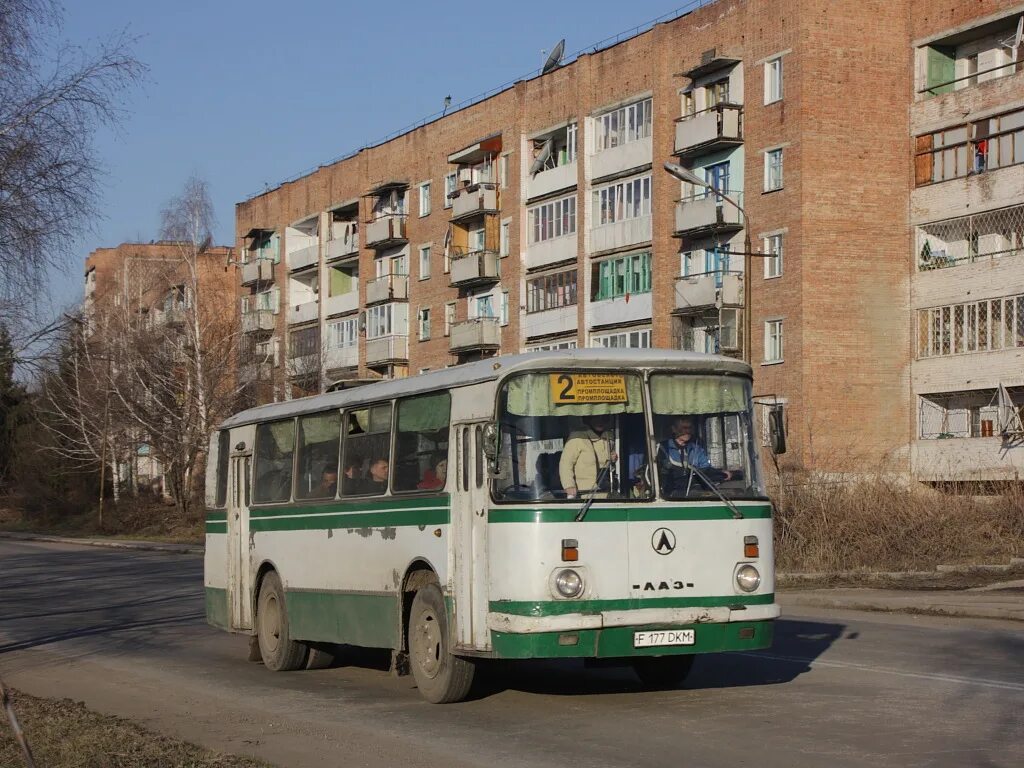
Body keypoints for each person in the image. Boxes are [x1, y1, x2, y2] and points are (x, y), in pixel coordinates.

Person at [657, 416, 730, 495]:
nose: (687, 431)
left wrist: (720, 473)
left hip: (693, 495)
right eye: (684, 428)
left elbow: (705, 469)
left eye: (690, 428)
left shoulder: (696, 449)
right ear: (674, 429)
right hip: (669, 496)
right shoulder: (662, 448)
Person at [559, 415, 617, 499]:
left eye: (604, 418)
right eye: (596, 418)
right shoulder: (577, 437)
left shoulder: (610, 436)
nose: (600, 421)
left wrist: (614, 459)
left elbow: (610, 463)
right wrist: (569, 486)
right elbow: (566, 464)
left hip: (607, 494)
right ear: (588, 419)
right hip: (584, 495)